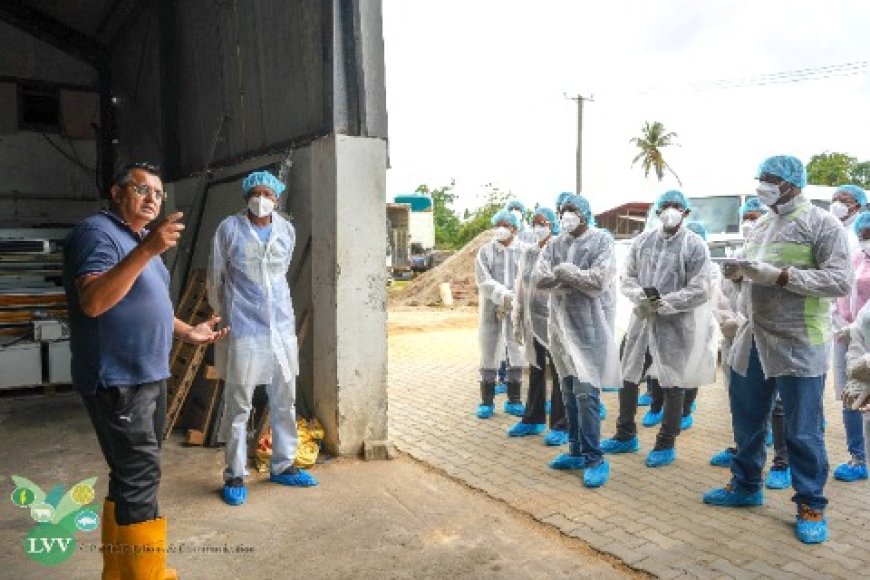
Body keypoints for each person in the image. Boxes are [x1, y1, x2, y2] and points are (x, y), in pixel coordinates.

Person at [63, 162, 228, 578]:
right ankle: (145, 575)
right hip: (118, 377)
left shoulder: (138, 240)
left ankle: (121, 573)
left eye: (158, 192)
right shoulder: (98, 234)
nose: (153, 198)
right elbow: (94, 302)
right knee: (140, 477)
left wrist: (186, 330)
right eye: (142, 189)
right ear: (117, 193)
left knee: (130, 475)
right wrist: (148, 250)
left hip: (147, 374)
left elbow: (146, 300)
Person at [703, 155, 851, 545]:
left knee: (802, 429)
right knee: (747, 419)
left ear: (791, 183)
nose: (762, 185)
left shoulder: (823, 224)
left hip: (799, 339)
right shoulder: (762, 224)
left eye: (770, 179)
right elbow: (752, 276)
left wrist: (783, 276)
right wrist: (738, 275)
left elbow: (840, 281)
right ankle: (746, 484)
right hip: (753, 337)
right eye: (760, 178)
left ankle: (811, 503)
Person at [208, 170, 318, 506]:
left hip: (281, 328)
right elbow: (216, 278)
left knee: (285, 399)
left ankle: (283, 465)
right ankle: (235, 473)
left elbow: (281, 272)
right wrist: (225, 314)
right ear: (246, 197)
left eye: (268, 193)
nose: (262, 198)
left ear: (277, 197)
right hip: (244, 327)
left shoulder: (286, 229)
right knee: (239, 403)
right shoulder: (228, 229)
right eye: (256, 192)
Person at [601, 190, 715, 468]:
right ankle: (625, 433)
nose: (671, 210)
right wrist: (640, 295)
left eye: (677, 206)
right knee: (628, 375)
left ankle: (666, 443)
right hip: (641, 320)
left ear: (686, 212)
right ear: (657, 210)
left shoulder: (695, 245)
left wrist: (669, 302)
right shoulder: (643, 241)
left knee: (672, 382)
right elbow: (627, 275)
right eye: (666, 205)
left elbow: (701, 288)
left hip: (674, 324)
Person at [534, 194, 620, 487]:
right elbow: (540, 278)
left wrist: (567, 274)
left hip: (590, 330)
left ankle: (595, 458)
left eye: (571, 211)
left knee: (587, 395)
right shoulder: (555, 244)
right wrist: (571, 279)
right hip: (560, 330)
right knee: (568, 392)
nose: (566, 216)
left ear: (584, 214)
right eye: (562, 211)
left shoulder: (602, 242)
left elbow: (598, 282)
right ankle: (575, 451)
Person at [509, 207, 568, 444]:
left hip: (555, 321)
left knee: (559, 371)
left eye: (542, 222)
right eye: (534, 223)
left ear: (552, 224)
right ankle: (532, 418)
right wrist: (517, 317)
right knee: (535, 369)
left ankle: (561, 425)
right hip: (533, 320)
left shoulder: (560, 250)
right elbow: (520, 287)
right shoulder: (529, 253)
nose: (538, 227)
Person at [830, 203, 870, 482]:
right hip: (847, 338)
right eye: (864, 234)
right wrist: (841, 326)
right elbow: (839, 295)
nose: (867, 239)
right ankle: (858, 456)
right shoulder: (855, 258)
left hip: (865, 338)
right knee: (850, 396)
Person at [475, 209, 527, 418]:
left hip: (517, 308)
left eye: (506, 225)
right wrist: (503, 295)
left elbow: (528, 277)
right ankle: (486, 402)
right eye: (499, 225)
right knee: (489, 350)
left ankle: (514, 400)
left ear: (514, 228)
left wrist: (517, 298)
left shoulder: (524, 251)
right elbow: (483, 280)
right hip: (491, 308)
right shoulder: (485, 252)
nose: (501, 229)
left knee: (516, 349)